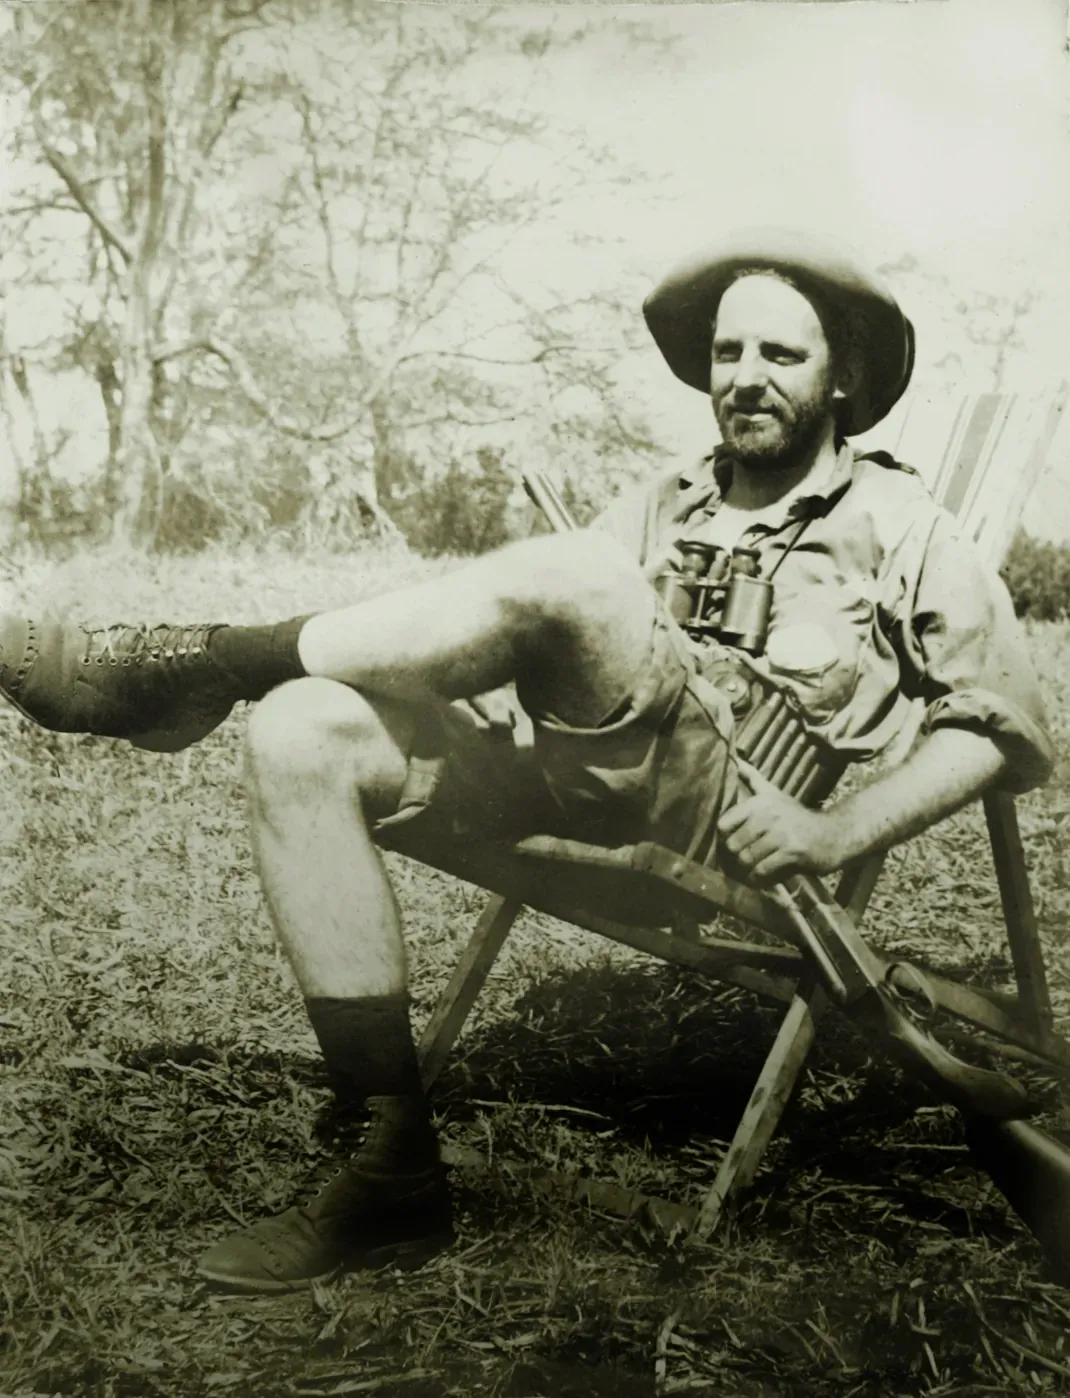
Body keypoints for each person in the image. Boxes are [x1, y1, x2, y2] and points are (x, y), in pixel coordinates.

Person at [0, 231, 1054, 1295]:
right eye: (728, 353)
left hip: (714, 816)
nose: (744, 378)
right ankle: (390, 1162)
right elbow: (533, 618)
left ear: (844, 378)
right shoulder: (667, 498)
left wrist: (835, 832)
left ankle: (205, 660)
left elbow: (1000, 727)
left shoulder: (904, 528)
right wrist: (494, 674)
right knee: (302, 728)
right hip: (564, 773)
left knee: (579, 578)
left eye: (779, 355)